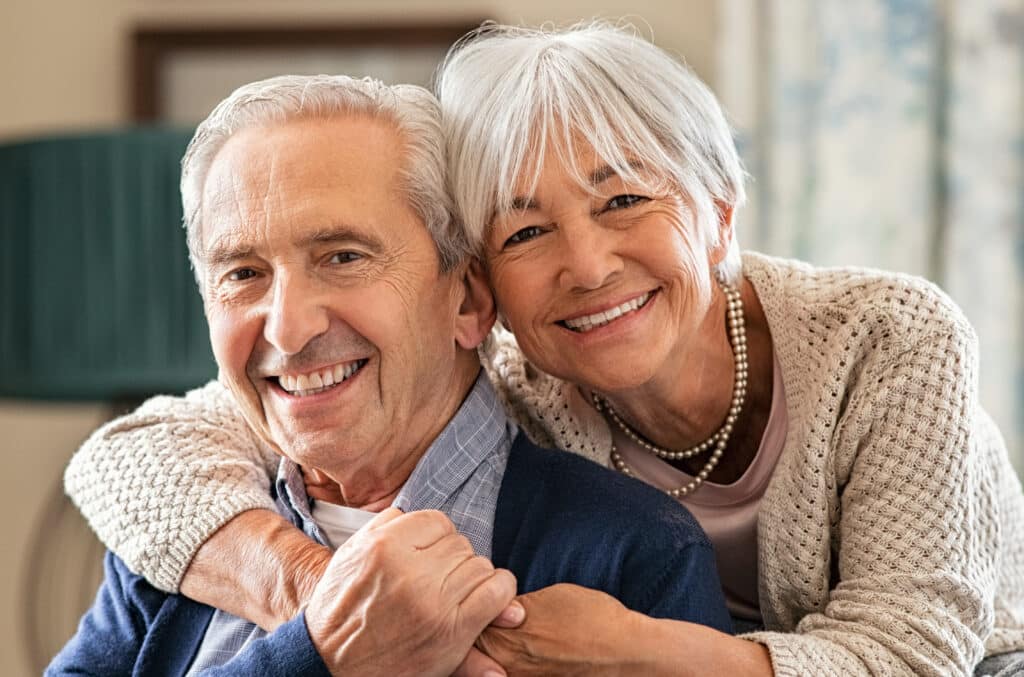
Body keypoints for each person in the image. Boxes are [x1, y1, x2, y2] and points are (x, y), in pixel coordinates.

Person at [64, 22, 1024, 677]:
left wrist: (645, 652)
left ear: (719, 213)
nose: (588, 264)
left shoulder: (889, 341)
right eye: (525, 232)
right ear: (487, 288)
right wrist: (327, 607)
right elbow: (131, 454)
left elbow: (914, 649)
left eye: (624, 201)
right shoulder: (511, 380)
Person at [48, 73, 732, 676]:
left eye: (343, 257)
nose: (287, 328)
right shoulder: (185, 537)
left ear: (466, 299)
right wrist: (316, 654)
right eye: (244, 274)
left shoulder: (631, 555)